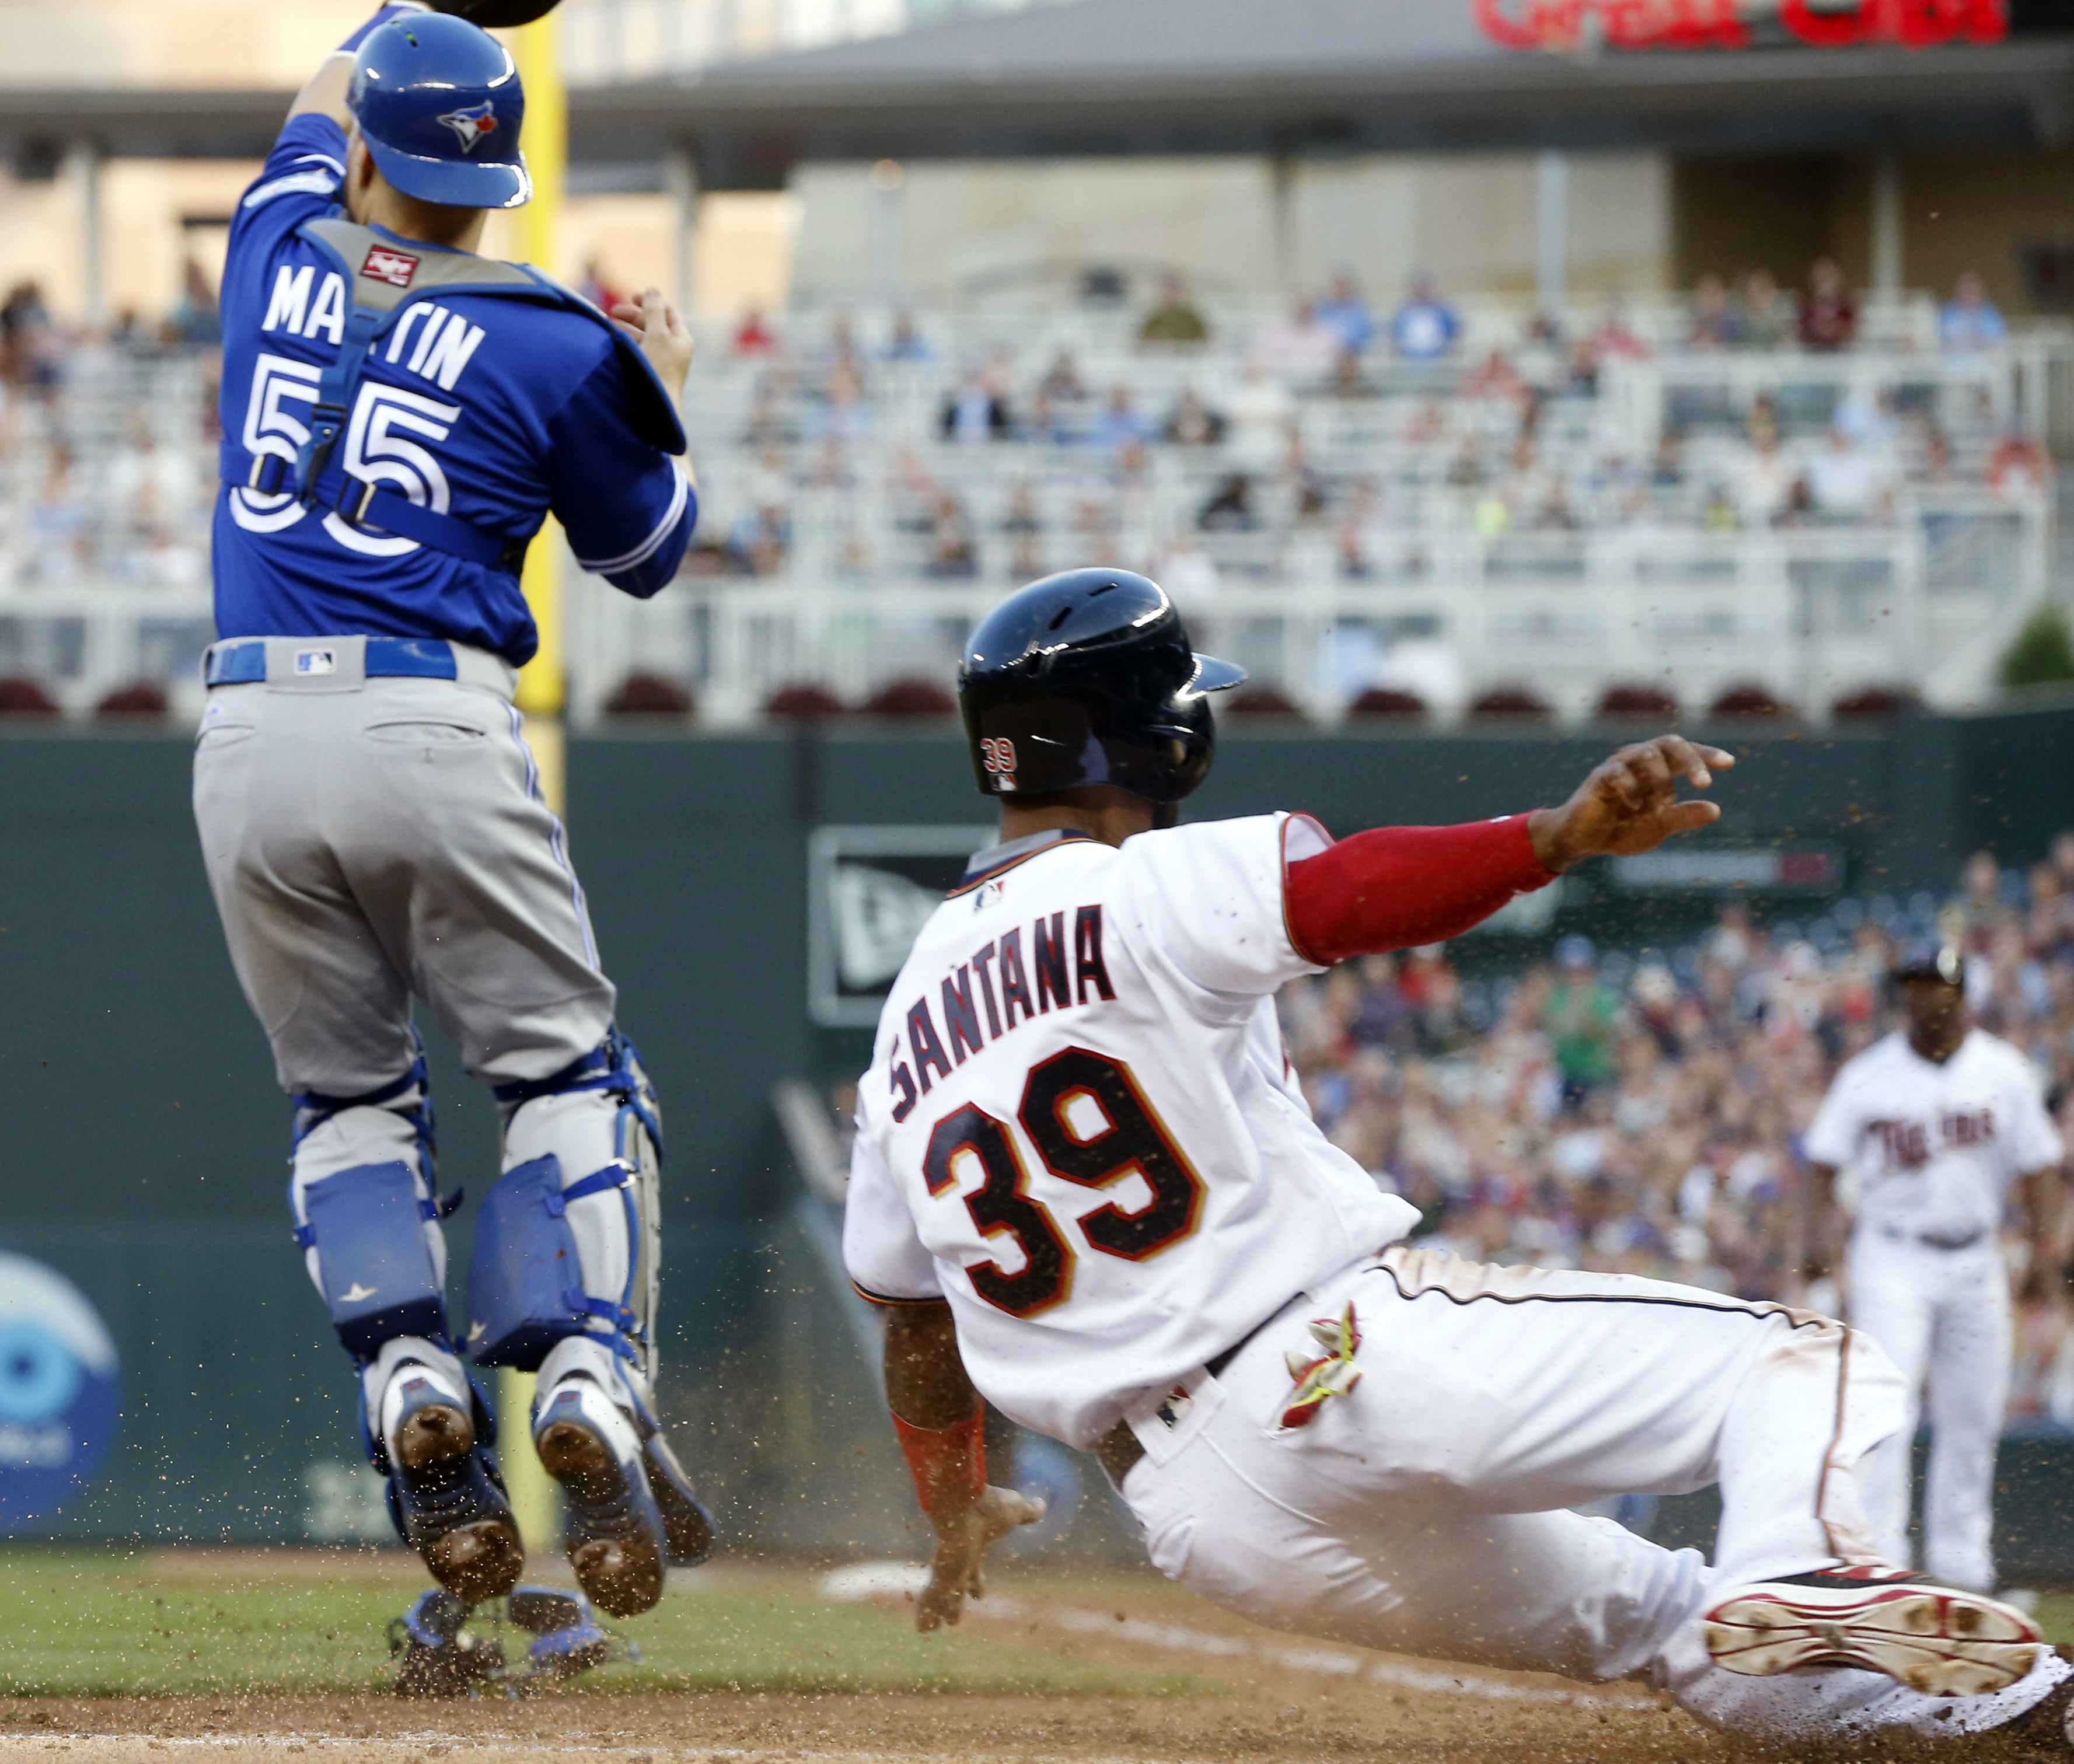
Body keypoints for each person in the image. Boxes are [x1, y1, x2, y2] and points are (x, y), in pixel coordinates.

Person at [843, 567, 2062, 1753]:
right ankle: (1803, 1565)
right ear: (1152, 732)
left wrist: (950, 1505)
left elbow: (912, 1321)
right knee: (1803, 1359)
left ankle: (2018, 1709)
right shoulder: (1135, 881)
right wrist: (1547, 837)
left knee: (1662, 1623)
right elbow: (1340, 893)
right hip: (1332, 1363)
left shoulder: (900, 1036)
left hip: (1206, 1517)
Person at [195, 4, 714, 1687]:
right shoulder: (556, 330)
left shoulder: (273, 243)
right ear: (499, 177)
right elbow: (650, 554)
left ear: (364, 151)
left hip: (247, 735)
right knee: (571, 1077)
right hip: (436, 720)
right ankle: (578, 1376)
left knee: (349, 1104)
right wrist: (672, 389)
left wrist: (386, 24)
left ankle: (407, 1373)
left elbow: (324, 91)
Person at [1803, 940, 2066, 1597]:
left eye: (1935, 984)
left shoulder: (2002, 1071)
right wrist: (1814, 1237)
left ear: (1962, 994)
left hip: (1976, 1255)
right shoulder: (1868, 1073)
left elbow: (2039, 1166)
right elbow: (1820, 1161)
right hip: (1892, 1253)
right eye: (1913, 984)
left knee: (1973, 1413)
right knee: (1886, 1407)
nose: (1924, 996)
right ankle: (1886, 1567)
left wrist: (2041, 1249)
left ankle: (1961, 1568)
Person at [1391, 270, 1461, 361]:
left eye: (1425, 286)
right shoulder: (1403, 311)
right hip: (1409, 361)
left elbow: (1454, 332)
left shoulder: (1444, 311)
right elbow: (1394, 334)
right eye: (1419, 287)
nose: (1422, 290)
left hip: (1439, 359)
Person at [1135, 271, 1209, 348]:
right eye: (1169, 291)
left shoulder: (1191, 316)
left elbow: (1204, 339)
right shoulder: (1156, 317)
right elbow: (1143, 340)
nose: (1172, 294)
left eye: (1176, 290)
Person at [1941, 273, 2010, 353]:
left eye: (1973, 291)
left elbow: (1999, 338)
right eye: (1966, 291)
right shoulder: (1949, 313)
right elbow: (1946, 337)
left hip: (1987, 357)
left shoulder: (1990, 313)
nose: (1970, 295)